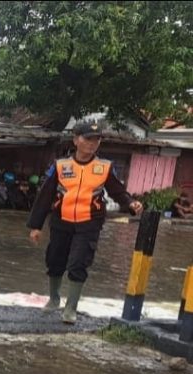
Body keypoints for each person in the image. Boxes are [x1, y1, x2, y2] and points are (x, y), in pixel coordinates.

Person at [27, 120, 144, 323]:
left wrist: (131, 203)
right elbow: (45, 196)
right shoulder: (60, 166)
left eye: (96, 140)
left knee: (78, 263)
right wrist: (36, 226)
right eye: (88, 139)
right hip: (61, 220)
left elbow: (117, 191)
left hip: (89, 223)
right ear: (76, 140)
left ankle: (70, 308)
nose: (92, 143)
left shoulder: (104, 167)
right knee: (55, 260)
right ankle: (54, 299)